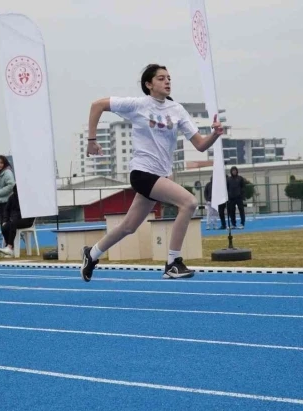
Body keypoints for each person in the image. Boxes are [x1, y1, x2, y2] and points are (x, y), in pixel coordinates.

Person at [81, 63, 225, 281]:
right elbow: (97, 105)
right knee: (189, 202)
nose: (167, 81)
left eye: (169, 78)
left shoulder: (177, 110)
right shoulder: (138, 105)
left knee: (129, 227)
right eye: (161, 78)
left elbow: (200, 145)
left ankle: (92, 254)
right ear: (148, 84)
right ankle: (173, 263)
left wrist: (214, 134)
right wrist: (92, 141)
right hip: (141, 173)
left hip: (160, 175)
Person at [0, 185, 35, 257]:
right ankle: (10, 250)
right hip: (15, 220)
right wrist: (5, 220)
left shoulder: (28, 197)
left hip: (27, 220)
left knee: (13, 224)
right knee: (5, 227)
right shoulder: (12, 197)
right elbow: (6, 210)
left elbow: (31, 210)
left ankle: (9, 247)